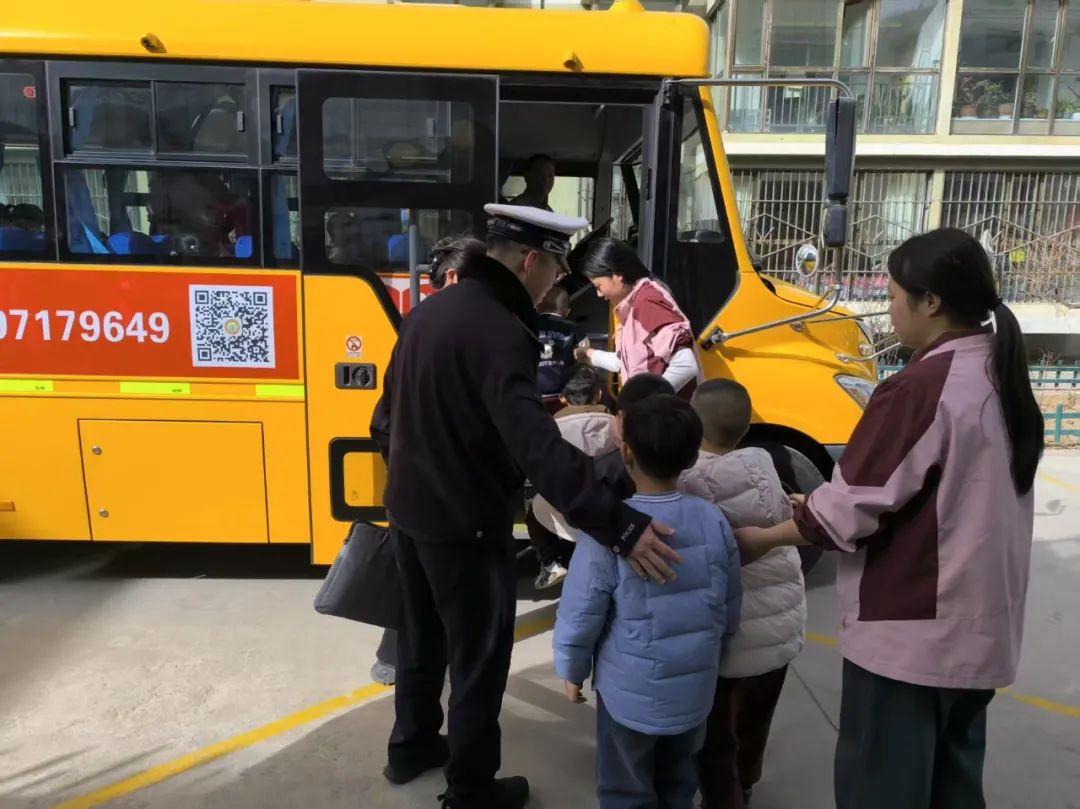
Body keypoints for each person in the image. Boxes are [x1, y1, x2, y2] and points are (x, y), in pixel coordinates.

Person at [370, 204, 681, 809]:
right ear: (531, 261)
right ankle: (471, 789)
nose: (558, 286)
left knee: (421, 639)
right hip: (465, 522)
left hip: (408, 510)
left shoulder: (429, 311)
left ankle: (411, 748)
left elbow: (386, 417)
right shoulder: (500, 330)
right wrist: (617, 524)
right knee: (480, 658)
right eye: (558, 270)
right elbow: (535, 446)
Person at [735, 228, 1044, 809]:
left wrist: (765, 537)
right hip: (980, 633)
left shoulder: (919, 388)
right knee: (953, 784)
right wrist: (826, 507)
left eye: (897, 294)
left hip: (913, 637)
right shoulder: (1001, 375)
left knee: (882, 787)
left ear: (931, 302)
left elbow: (848, 511)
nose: (889, 307)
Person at [553, 394, 742, 809]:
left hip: (628, 697)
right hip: (695, 691)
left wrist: (571, 668)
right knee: (678, 782)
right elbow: (729, 598)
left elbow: (581, 610)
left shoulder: (611, 530)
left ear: (625, 452)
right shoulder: (713, 520)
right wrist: (720, 646)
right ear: (693, 457)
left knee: (625, 787)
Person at [678, 379, 806, 809]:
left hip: (730, 643)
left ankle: (725, 797)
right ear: (747, 425)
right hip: (781, 631)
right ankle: (747, 782)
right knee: (756, 720)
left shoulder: (689, 481)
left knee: (718, 735)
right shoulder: (772, 465)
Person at [370, 233, 489, 688]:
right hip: (447, 497)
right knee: (454, 602)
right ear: (457, 277)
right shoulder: (469, 329)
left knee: (413, 591)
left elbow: (383, 417)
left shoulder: (415, 323)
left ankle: (399, 674)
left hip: (408, 488)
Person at [528, 372, 677, 582]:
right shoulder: (705, 510)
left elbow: (583, 607)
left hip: (585, 526)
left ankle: (550, 563)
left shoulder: (551, 431)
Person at [574, 238, 701, 398]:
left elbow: (686, 365)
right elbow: (624, 363)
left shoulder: (647, 302)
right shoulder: (633, 304)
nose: (599, 294)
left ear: (617, 276)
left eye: (599, 286)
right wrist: (589, 354)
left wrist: (646, 402)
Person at [526, 364, 616, 590]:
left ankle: (550, 562)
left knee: (533, 508)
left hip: (566, 509)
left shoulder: (550, 429)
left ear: (562, 399)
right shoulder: (616, 424)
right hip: (613, 508)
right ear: (599, 394)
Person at [536, 285, 589, 402]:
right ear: (567, 311)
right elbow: (585, 363)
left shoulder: (525, 325)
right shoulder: (575, 330)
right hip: (565, 396)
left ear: (537, 305)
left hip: (533, 394)